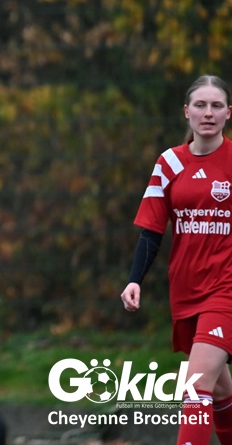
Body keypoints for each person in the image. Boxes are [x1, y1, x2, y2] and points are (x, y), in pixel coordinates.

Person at [121, 74, 232, 445]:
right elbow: (151, 231)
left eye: (216, 105)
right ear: (187, 112)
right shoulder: (169, 162)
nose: (208, 112)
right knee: (219, 388)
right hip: (186, 291)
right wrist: (134, 279)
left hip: (226, 290)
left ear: (228, 113)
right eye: (200, 105)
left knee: (196, 384)